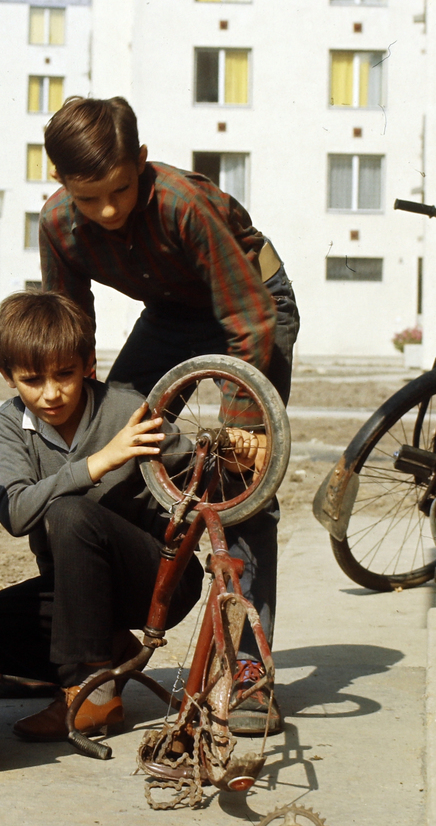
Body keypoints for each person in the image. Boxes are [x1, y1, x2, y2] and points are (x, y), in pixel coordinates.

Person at [37, 95, 298, 649]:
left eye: (121, 191)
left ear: (142, 160)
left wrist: (246, 428)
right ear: (59, 179)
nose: (108, 211)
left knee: (240, 479)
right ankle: (88, 647)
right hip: (171, 314)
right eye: (90, 198)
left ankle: (246, 665)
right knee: (116, 445)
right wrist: (80, 410)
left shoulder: (183, 205)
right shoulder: (58, 224)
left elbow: (248, 319)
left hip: (254, 305)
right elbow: (70, 326)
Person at [0, 290, 207, 740]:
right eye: (32, 380)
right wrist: (98, 463)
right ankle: (112, 649)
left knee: (68, 514)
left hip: (156, 580)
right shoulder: (10, 422)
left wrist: (234, 450)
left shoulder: (125, 408)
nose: (52, 393)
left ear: (88, 364)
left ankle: (90, 695)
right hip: (80, 596)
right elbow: (15, 514)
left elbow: (197, 462)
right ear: (7, 376)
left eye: (65, 374)